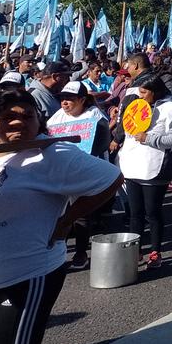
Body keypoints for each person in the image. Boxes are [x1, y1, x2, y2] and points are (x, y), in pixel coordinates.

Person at [0, 89, 122, 344]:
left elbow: (111, 179)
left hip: (29, 271)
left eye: (27, 116)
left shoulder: (53, 155)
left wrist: (65, 222)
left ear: (39, 121)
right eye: (8, 117)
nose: (18, 122)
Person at [116, 76, 172, 269]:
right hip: (133, 165)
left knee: (152, 212)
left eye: (145, 92)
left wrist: (149, 138)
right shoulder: (137, 106)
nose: (141, 96)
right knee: (135, 213)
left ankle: (156, 251)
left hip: (155, 166)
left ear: (155, 91)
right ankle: (134, 251)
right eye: (140, 92)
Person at [46, 82, 112, 269]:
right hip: (60, 171)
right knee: (59, 212)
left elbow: (100, 145)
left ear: (82, 100)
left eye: (70, 99)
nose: (65, 103)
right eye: (62, 99)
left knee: (80, 214)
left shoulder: (95, 117)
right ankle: (57, 249)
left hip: (84, 170)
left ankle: (81, 253)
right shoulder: (57, 117)